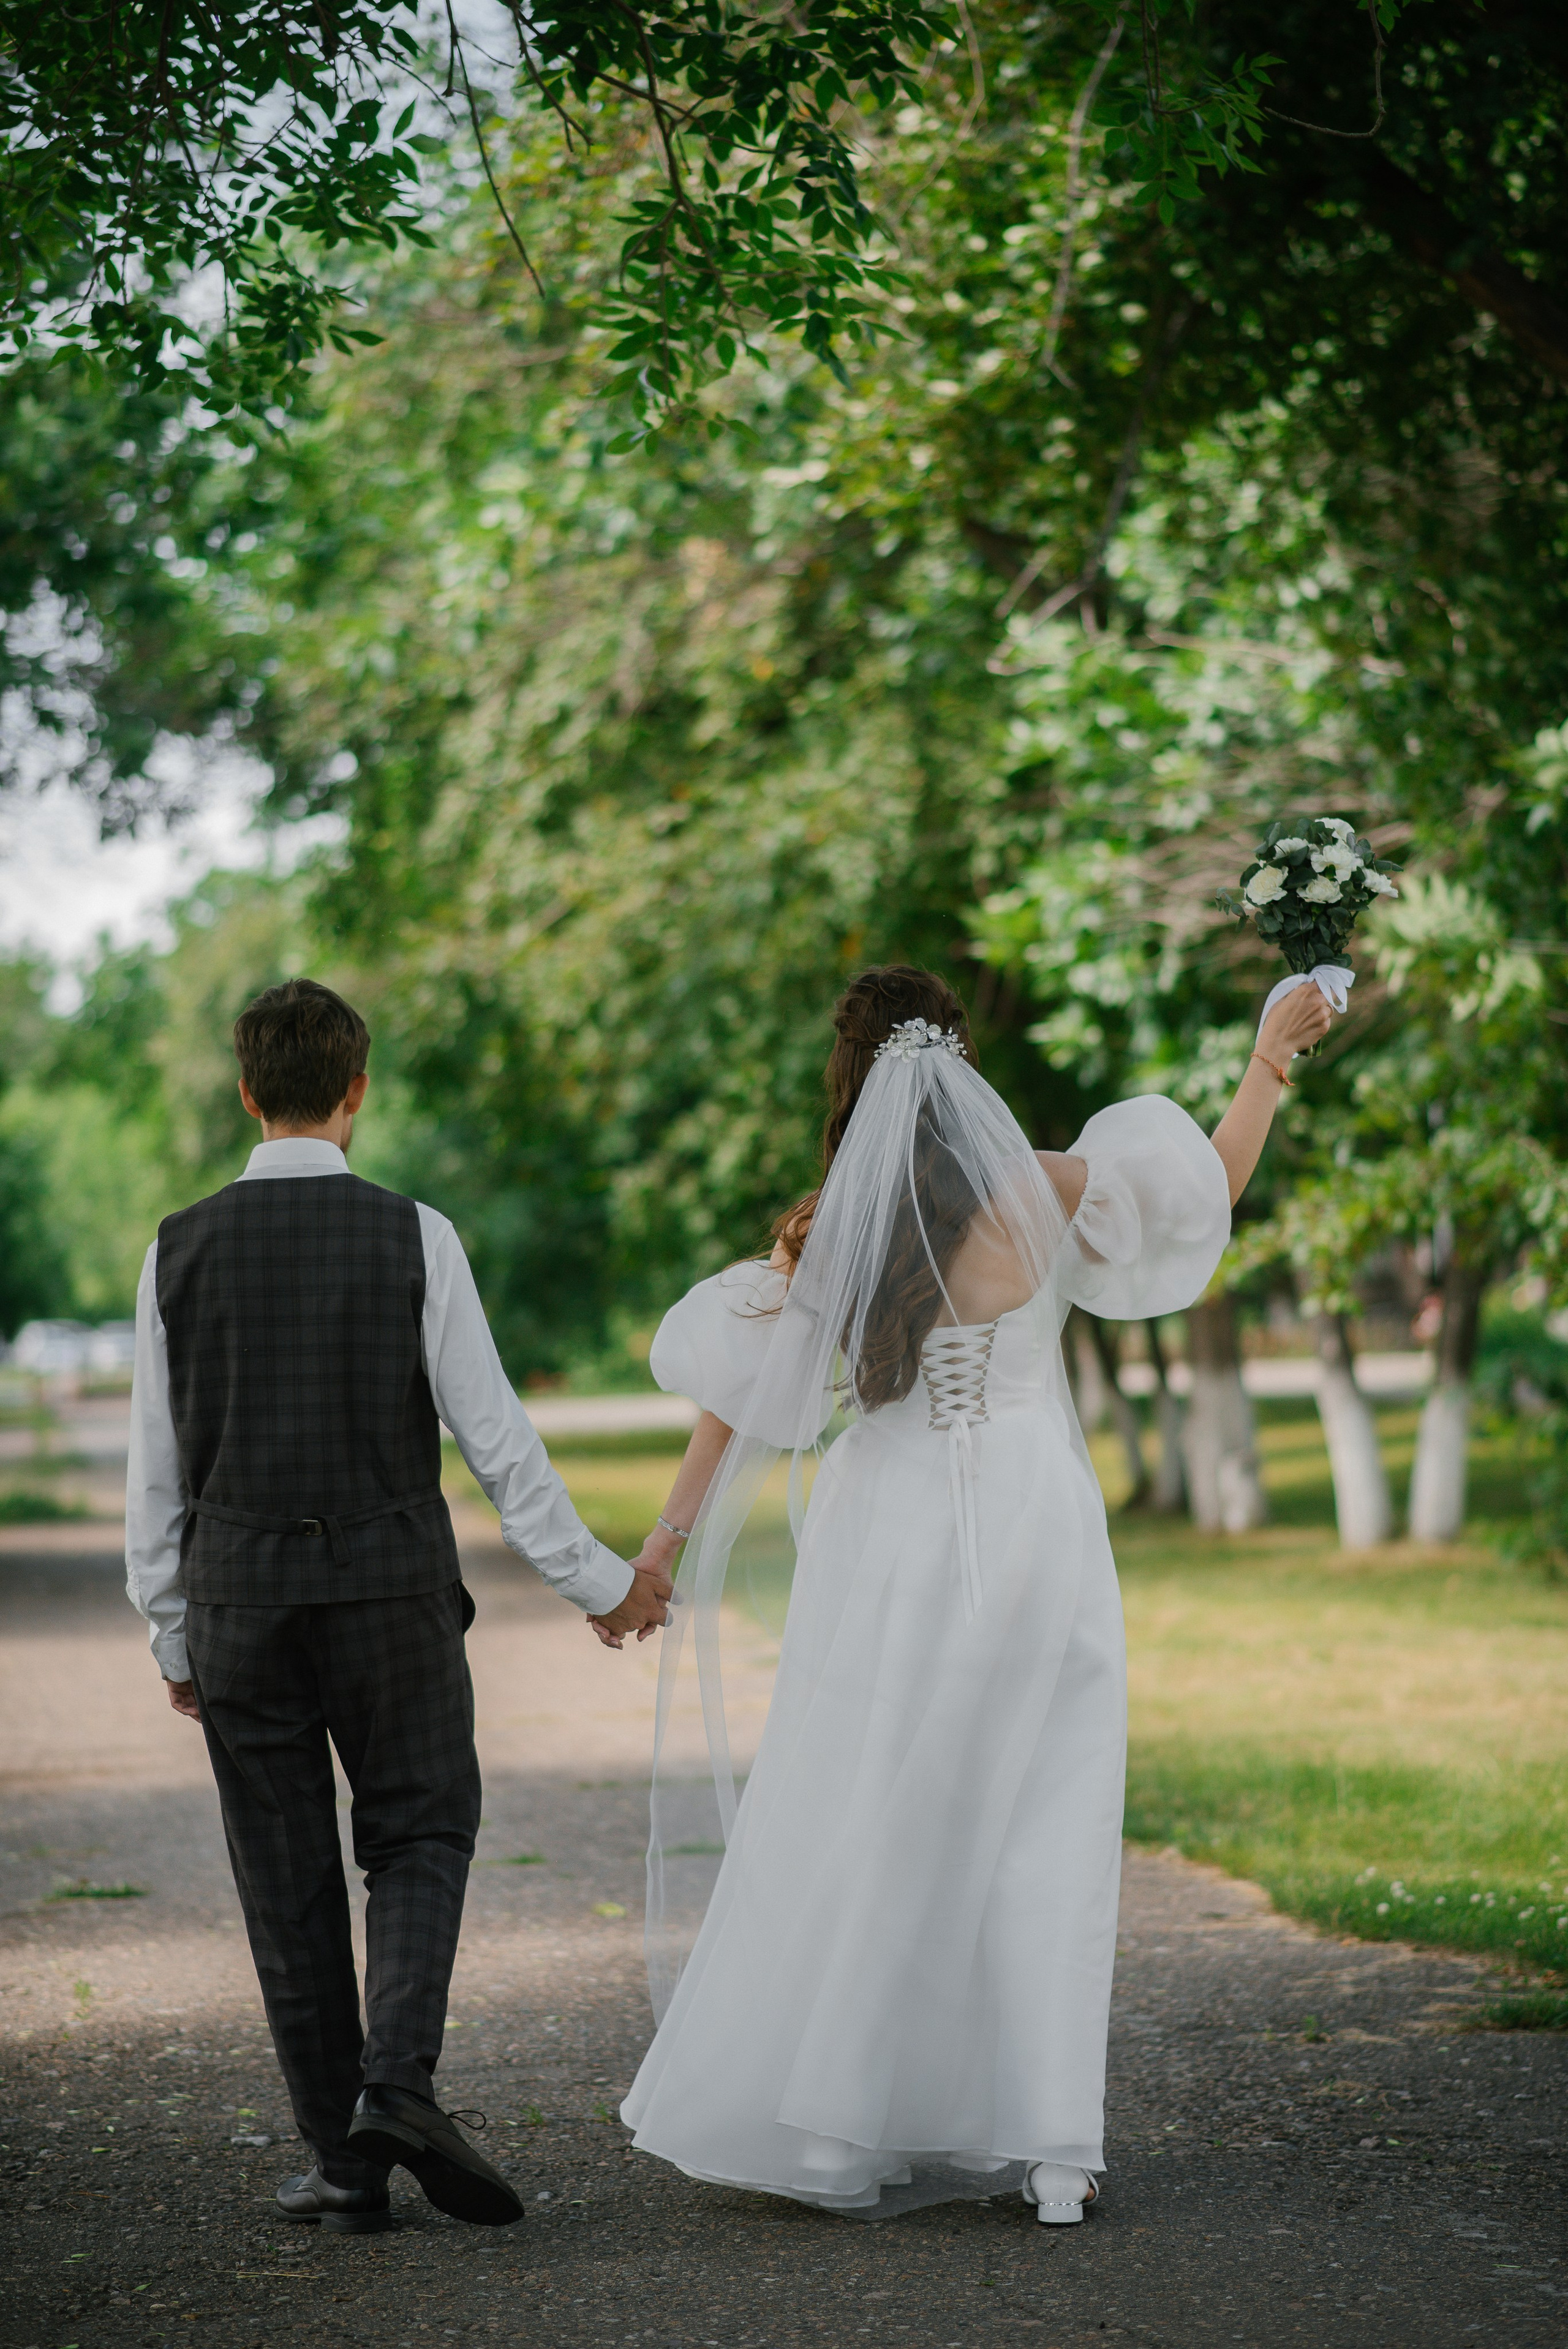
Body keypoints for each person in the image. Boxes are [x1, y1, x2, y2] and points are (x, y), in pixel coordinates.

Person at [602, 963, 1331, 2220]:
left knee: (879, 1813)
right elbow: (1207, 1184)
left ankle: (836, 2130)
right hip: (1031, 1512)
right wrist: (1268, 1056)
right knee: (1046, 1816)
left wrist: (662, 1544)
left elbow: (733, 1397)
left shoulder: (834, 1224)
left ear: (850, 1078)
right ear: (961, 1062)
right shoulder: (1043, 1184)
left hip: (888, 1531)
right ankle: (1053, 2152)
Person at [124, 978, 672, 2234]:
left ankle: (344, 2156)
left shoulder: (176, 1244)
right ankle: (398, 2087)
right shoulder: (414, 1234)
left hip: (239, 1603)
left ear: (248, 1090)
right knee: (419, 1834)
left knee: (284, 1876)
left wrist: (170, 1627)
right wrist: (604, 1585)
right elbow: (498, 1442)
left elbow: (159, 1469)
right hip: (390, 1596)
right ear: (357, 1091)